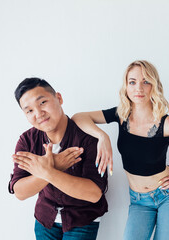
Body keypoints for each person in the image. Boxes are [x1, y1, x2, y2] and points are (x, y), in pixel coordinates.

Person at [72, 60, 169, 240]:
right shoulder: (121, 115)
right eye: (132, 82)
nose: (138, 88)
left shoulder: (168, 124)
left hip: (168, 196)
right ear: (126, 86)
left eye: (145, 81)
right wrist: (102, 136)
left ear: (154, 86)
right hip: (139, 201)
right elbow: (79, 117)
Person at [8, 78, 108, 240]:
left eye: (42, 102)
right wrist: (55, 166)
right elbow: (20, 192)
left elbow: (94, 193)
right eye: (29, 111)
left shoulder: (87, 138)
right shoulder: (27, 140)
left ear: (59, 98)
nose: (39, 114)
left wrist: (49, 172)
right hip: (45, 218)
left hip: (82, 219)